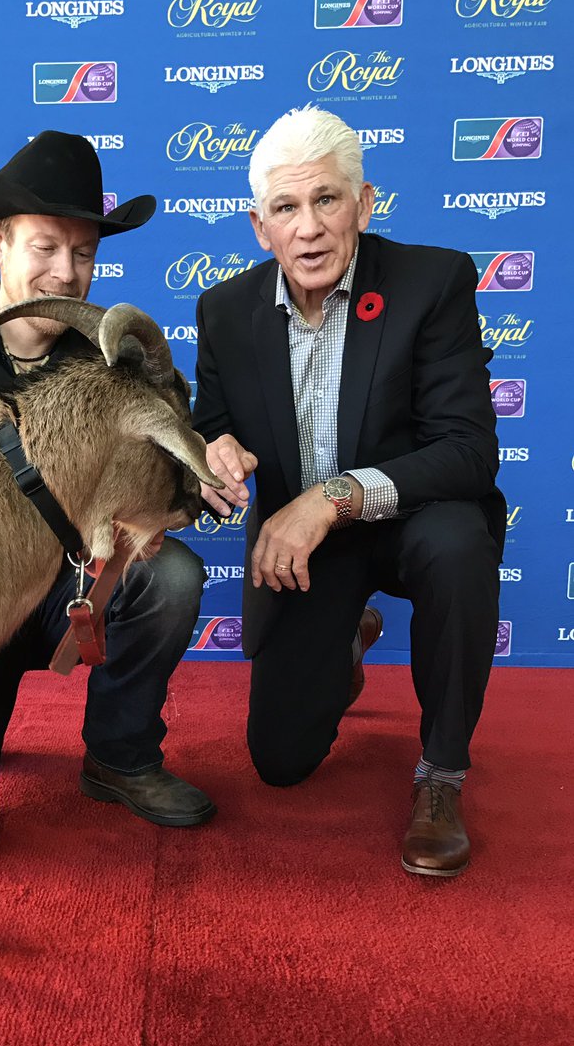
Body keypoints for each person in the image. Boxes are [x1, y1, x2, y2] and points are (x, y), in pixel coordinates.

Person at [0, 131, 214, 852]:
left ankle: (120, 758)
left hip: (66, 595)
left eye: (84, 253)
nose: (67, 271)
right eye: (46, 247)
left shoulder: (114, 368)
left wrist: (199, 476)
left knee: (171, 578)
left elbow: (169, 494)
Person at [193, 106, 504, 877]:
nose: (309, 228)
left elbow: (468, 452)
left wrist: (330, 498)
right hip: (309, 552)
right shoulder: (224, 311)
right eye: (287, 208)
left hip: (412, 518)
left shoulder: (434, 281)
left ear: (365, 205)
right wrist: (213, 455)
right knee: (280, 763)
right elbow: (212, 430)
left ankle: (441, 775)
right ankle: (347, 636)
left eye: (328, 200)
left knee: (459, 542)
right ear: (259, 225)